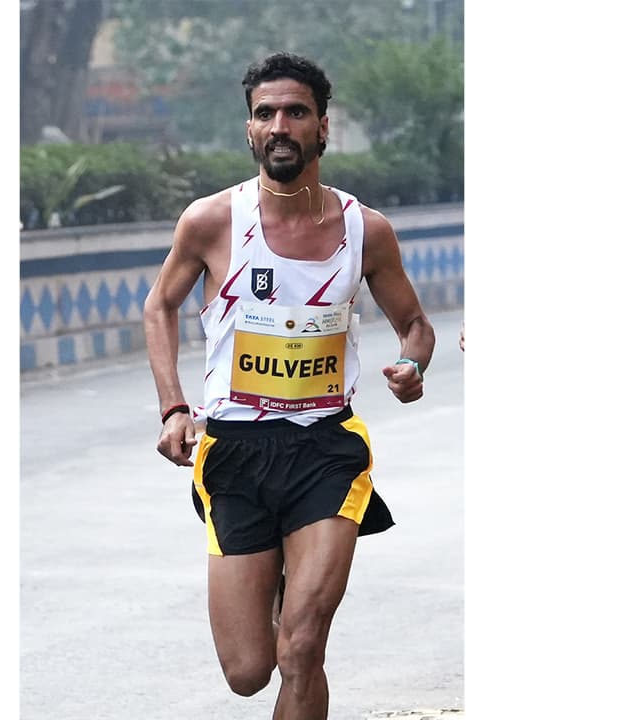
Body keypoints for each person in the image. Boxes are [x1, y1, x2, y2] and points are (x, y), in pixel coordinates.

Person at [142, 52, 435, 719]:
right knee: (249, 671)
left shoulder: (366, 230)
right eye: (265, 113)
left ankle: (298, 594)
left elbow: (415, 325)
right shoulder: (212, 221)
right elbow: (159, 305)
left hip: (326, 450)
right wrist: (173, 407)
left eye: (295, 112)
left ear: (323, 128)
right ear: (249, 130)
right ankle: (279, 580)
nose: (279, 125)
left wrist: (412, 366)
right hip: (236, 454)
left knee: (302, 647)